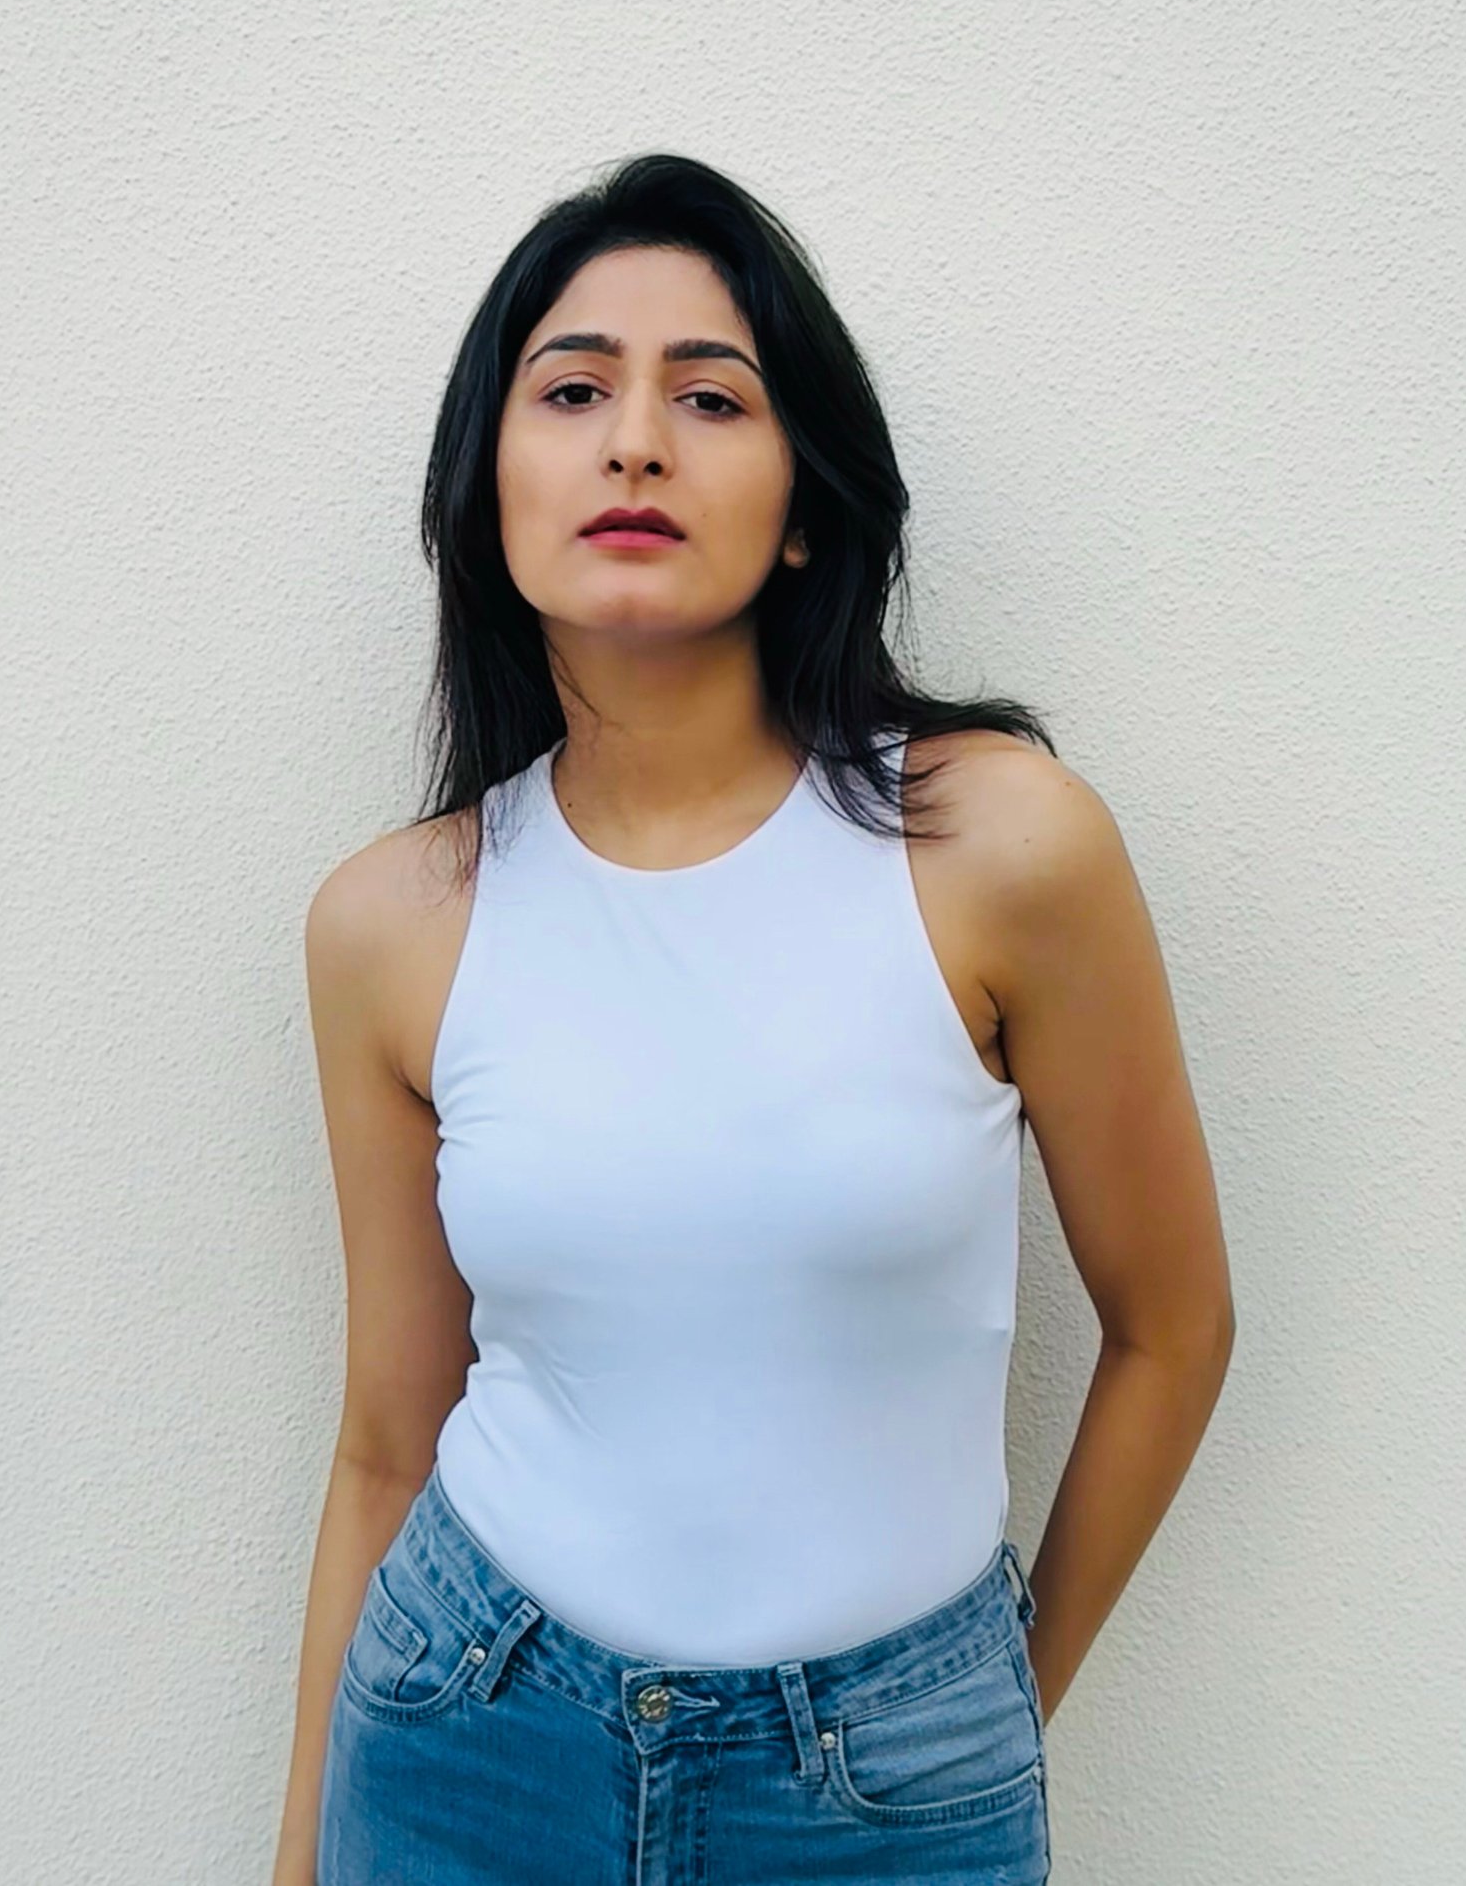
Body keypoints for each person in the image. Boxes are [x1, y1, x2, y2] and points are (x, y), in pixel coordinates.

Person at [271, 152, 1235, 1886]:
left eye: (711, 397)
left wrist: (982, 1711)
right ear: (490, 488)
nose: (636, 441)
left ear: (802, 505)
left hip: (890, 1787)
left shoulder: (999, 847)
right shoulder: (391, 926)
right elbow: (388, 1439)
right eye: (574, 390)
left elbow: (1174, 1327)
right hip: (463, 1746)